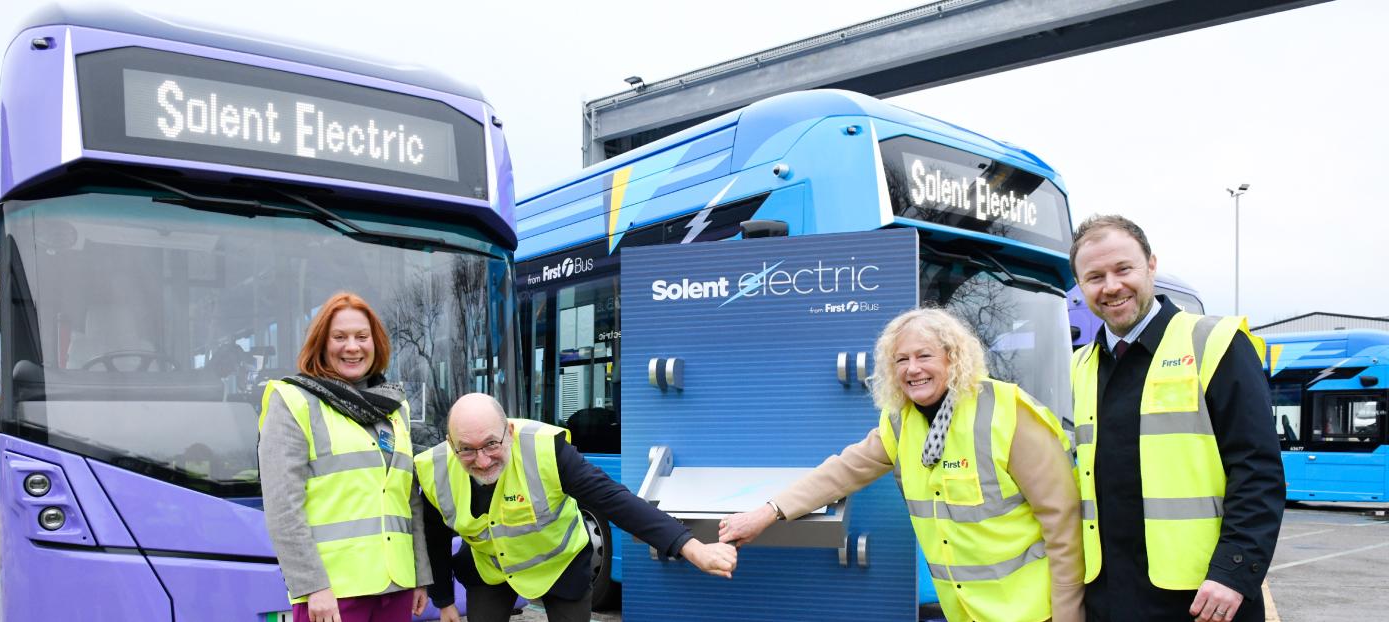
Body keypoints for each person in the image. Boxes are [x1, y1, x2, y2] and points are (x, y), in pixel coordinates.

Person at [719, 308, 1084, 622]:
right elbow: (841, 472)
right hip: (965, 611)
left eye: (924, 356)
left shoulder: (1007, 412)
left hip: (1034, 611)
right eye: (901, 360)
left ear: (953, 358)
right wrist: (768, 513)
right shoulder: (900, 423)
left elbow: (1064, 524)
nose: (912, 369)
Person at [1068, 215, 1284, 622]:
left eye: (1123, 269)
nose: (1111, 286)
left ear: (1151, 265)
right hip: (1109, 595)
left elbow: (1257, 470)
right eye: (1094, 276)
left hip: (1203, 597)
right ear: (1081, 286)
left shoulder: (1215, 343)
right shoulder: (1080, 365)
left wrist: (1234, 572)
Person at [417, 393, 738, 622]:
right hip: (492, 570)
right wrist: (444, 600)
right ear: (450, 443)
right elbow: (434, 539)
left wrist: (689, 546)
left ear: (509, 432)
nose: (483, 460)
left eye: (491, 444)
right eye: (467, 450)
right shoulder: (434, 470)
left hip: (561, 564)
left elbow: (613, 499)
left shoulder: (546, 451)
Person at [259, 292, 430, 622]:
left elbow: (410, 500)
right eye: (340, 337)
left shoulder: (395, 409)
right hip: (333, 593)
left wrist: (420, 576)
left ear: (375, 343)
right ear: (321, 344)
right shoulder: (293, 400)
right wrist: (313, 587)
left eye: (362, 337)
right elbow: (284, 508)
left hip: (396, 585)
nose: (352, 347)